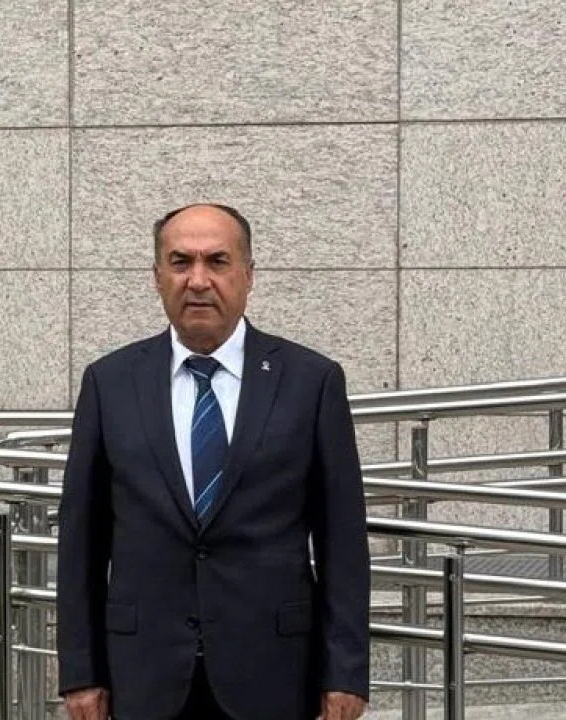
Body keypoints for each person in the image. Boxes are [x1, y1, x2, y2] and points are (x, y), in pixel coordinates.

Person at [56, 203, 371, 720]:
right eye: (180, 262)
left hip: (274, 672)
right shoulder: (109, 383)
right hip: (143, 674)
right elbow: (82, 541)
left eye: (217, 261)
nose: (198, 280)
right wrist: (81, 671)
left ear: (248, 275)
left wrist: (346, 673)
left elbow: (343, 541)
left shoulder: (311, 382)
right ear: (157, 277)